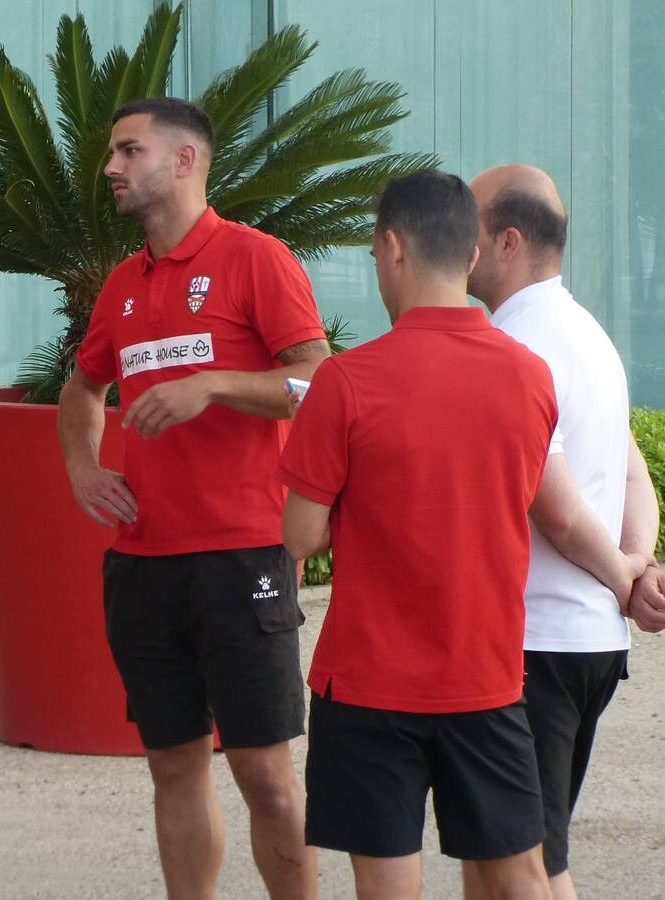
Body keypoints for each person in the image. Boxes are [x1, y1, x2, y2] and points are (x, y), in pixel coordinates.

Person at [278, 170, 646, 900]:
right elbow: (563, 498)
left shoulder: (344, 383)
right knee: (519, 876)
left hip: (367, 682)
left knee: (388, 885)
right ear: (471, 254)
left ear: (391, 248)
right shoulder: (526, 375)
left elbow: (299, 536)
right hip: (485, 679)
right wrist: (631, 566)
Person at [57, 96, 326, 900]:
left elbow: (318, 385)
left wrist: (211, 385)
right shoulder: (121, 284)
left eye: (128, 151)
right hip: (142, 563)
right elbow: (81, 392)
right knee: (172, 767)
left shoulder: (255, 259)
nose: (110, 166)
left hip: (242, 554)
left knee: (265, 774)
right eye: (111, 152)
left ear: (183, 161)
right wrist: (81, 469)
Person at [462, 163, 661, 900]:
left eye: (468, 227)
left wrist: (621, 576)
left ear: (506, 242)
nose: (454, 241)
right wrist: (635, 566)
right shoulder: (586, 334)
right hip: (582, 645)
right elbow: (630, 464)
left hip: (534, 647)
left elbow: (550, 500)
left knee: (529, 864)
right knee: (497, 855)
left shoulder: (519, 349)